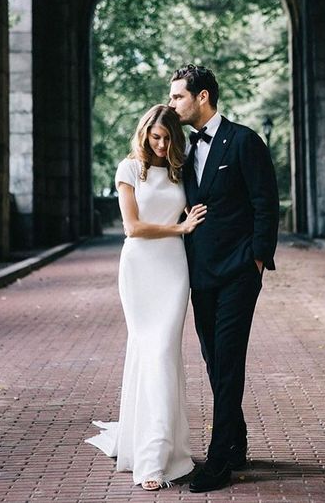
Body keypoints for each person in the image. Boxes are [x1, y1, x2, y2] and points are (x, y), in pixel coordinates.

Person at [169, 64, 280, 492]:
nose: (173, 102)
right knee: (214, 358)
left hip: (238, 272)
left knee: (229, 360)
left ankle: (219, 463)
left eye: (179, 95)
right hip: (199, 274)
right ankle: (236, 440)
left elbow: (265, 203)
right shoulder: (178, 148)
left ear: (203, 97)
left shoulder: (244, 141)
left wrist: (256, 261)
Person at [85, 104, 207, 491]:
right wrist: (180, 228)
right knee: (147, 351)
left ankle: (163, 447)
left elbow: (194, 208)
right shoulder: (128, 169)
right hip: (140, 269)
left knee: (164, 354)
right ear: (144, 133)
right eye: (155, 136)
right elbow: (132, 227)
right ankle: (151, 458)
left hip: (174, 271)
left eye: (168, 138)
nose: (161, 143)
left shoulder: (178, 170)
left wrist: (192, 222)